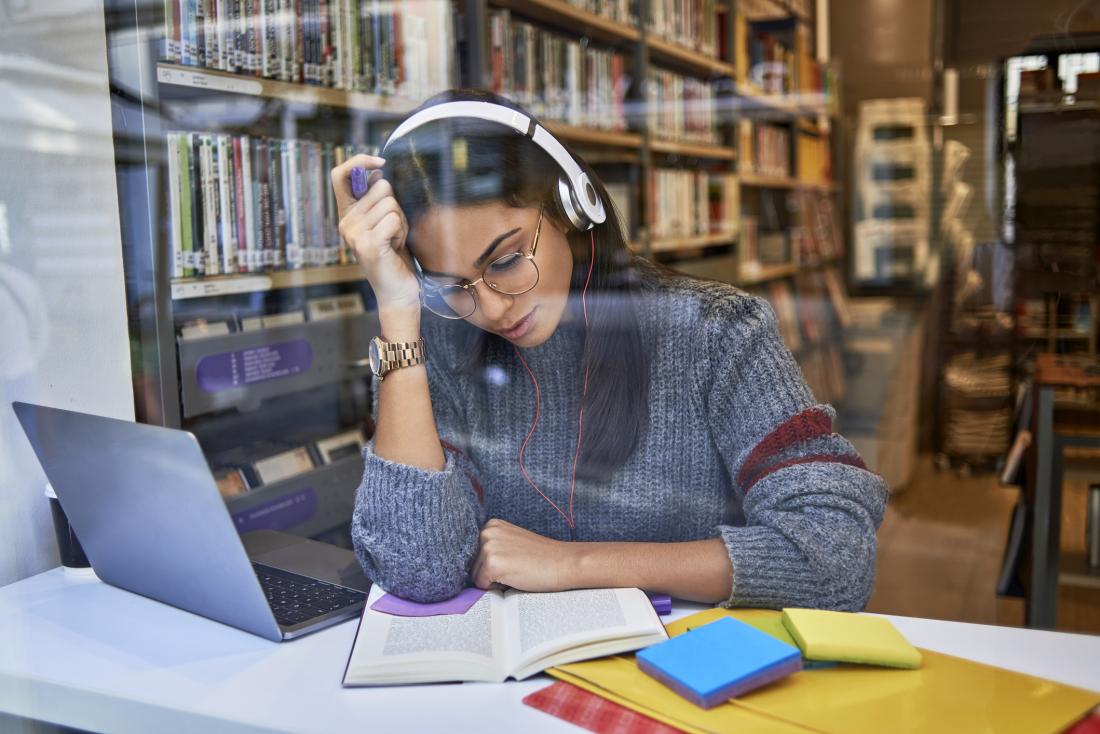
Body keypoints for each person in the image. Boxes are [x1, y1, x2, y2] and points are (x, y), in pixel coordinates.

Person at [330, 89, 888, 610]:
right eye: (454, 285)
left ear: (575, 205)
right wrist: (398, 310)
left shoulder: (718, 332)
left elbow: (835, 558)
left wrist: (573, 564)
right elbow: (414, 569)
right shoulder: (440, 352)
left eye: (504, 261)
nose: (494, 309)